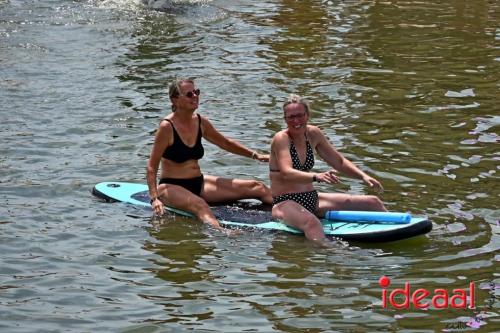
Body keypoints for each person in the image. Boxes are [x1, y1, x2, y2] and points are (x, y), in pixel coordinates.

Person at [146, 78, 272, 231]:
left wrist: (255, 155)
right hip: (171, 187)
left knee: (257, 186)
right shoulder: (167, 127)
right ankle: (221, 233)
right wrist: (154, 199)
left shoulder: (200, 121)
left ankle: (292, 209)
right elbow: (152, 166)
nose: (195, 96)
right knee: (201, 206)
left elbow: (225, 143)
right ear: (175, 99)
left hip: (199, 183)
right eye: (189, 94)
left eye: (196, 92)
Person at [269, 94, 387, 244]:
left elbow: (338, 161)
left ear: (307, 115)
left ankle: (400, 229)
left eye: (300, 115)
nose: (296, 121)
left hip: (313, 199)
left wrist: (363, 176)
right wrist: (316, 176)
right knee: (312, 224)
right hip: (285, 204)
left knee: (373, 202)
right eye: (291, 117)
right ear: (285, 119)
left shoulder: (313, 133)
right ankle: (326, 254)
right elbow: (287, 173)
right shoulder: (281, 138)